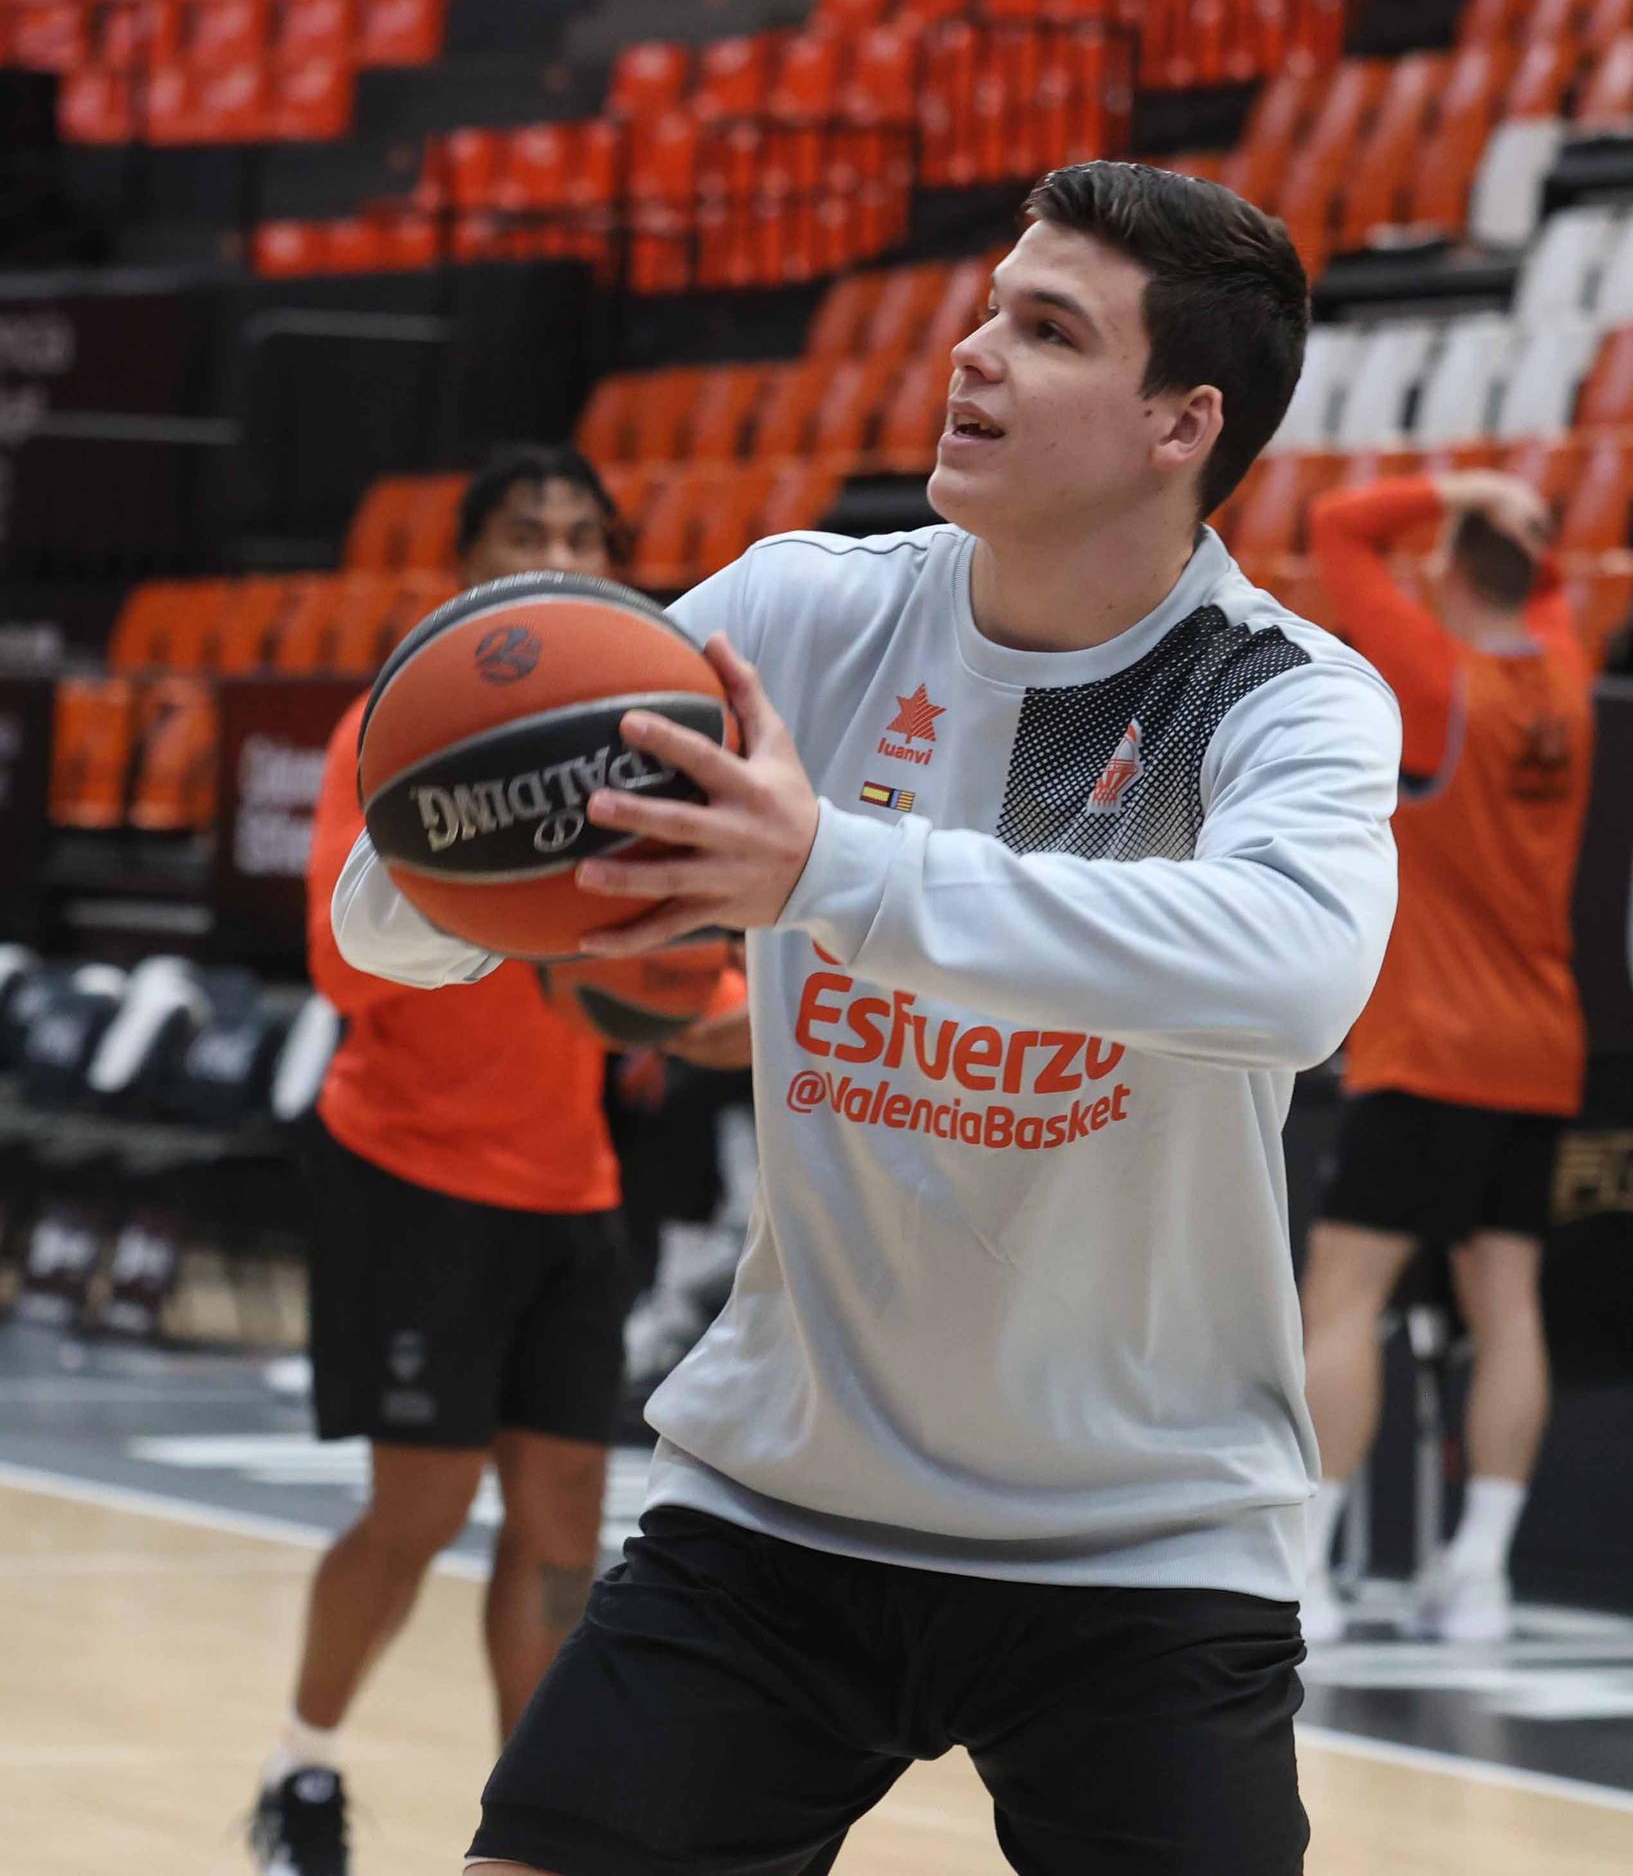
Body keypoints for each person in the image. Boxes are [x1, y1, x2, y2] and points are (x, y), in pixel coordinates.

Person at [334, 163, 1403, 1876]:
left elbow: (1293, 975)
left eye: (1044, 332)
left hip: (1137, 1539)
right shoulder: (797, 616)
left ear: (1176, 423)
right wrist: (447, 863)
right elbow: (393, 933)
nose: (969, 353)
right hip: (778, 1505)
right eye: (987, 307)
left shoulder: (1274, 696)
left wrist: (825, 866)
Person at [251, 447, 746, 1876]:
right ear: (468, 564)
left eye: (586, 534)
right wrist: (563, 960)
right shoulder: (403, 737)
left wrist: (723, 1020)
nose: (560, 553)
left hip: (568, 1184)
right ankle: (302, 1769)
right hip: (407, 1166)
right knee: (416, 1512)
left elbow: (676, 966)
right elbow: (356, 963)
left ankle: (534, 1831)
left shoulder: (627, 749)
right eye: (528, 532)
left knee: (563, 1524)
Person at [1298, 469, 1594, 1645]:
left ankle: (1308, 1573)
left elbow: (1335, 528)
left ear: (1447, 563)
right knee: (1507, 1302)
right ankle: (1479, 1574)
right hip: (1542, 1044)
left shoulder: (1434, 680)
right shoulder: (1566, 678)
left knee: (1345, 1299)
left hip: (1429, 1046)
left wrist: (1459, 485)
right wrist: (1517, 515)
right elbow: (1544, 576)